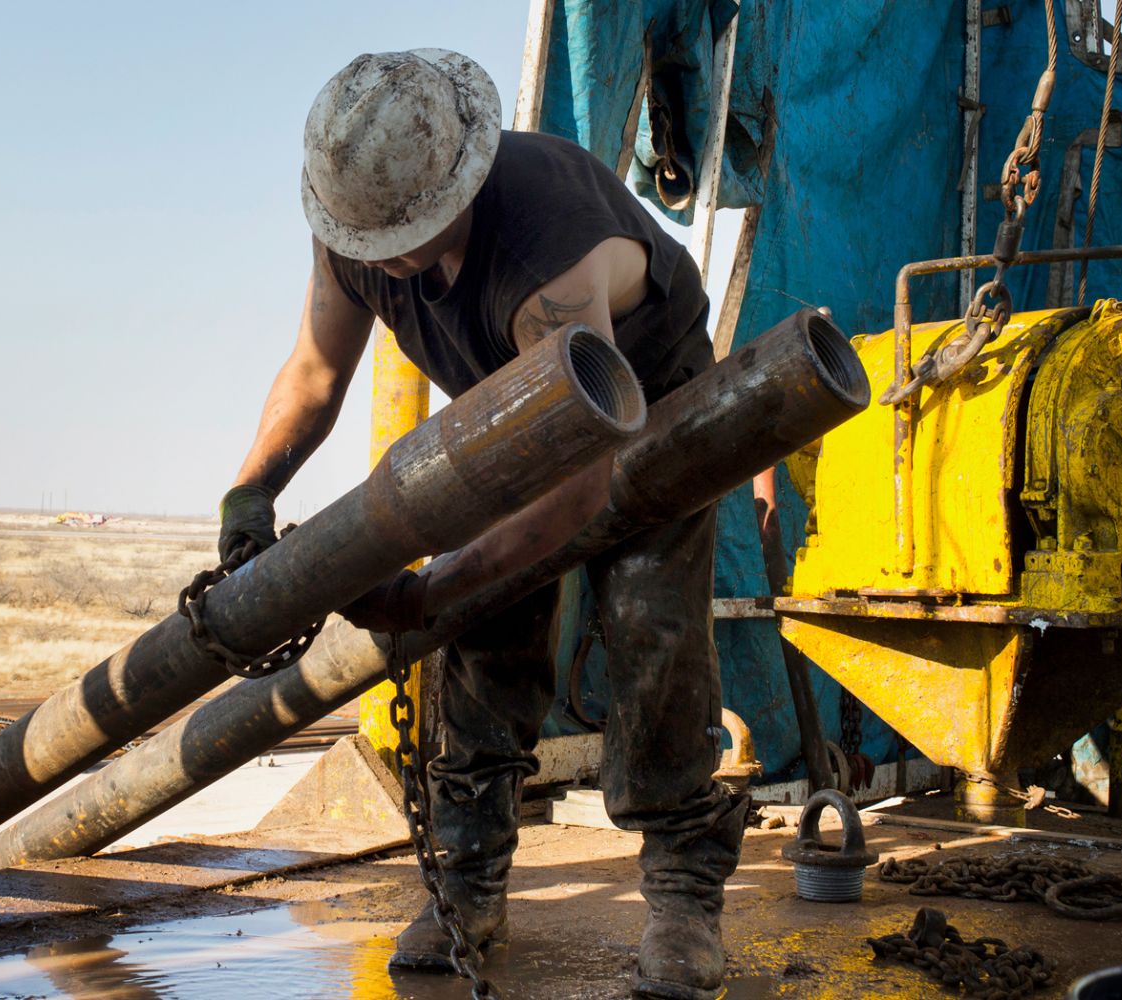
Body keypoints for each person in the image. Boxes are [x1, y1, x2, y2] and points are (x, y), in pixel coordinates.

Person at [219, 49, 747, 1000]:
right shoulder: (357, 225)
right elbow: (313, 373)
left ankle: (680, 897)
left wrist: (434, 588)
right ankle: (465, 886)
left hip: (646, 392)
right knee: (484, 640)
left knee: (649, 620)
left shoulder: (551, 244)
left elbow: (581, 484)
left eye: (414, 238)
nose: (395, 264)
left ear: (464, 178)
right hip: (517, 402)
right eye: (379, 245)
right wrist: (250, 493)